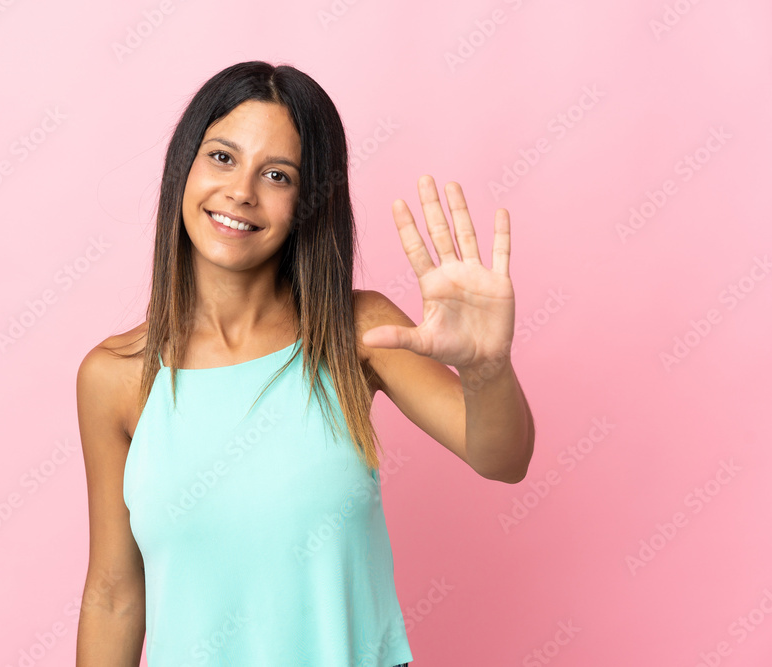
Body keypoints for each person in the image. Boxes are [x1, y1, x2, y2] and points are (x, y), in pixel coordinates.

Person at [75, 60, 534, 667]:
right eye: (221, 157)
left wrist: (485, 370)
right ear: (184, 166)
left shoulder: (357, 330)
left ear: (308, 201)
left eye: (277, 175)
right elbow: (113, 595)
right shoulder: (115, 375)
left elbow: (502, 459)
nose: (242, 191)